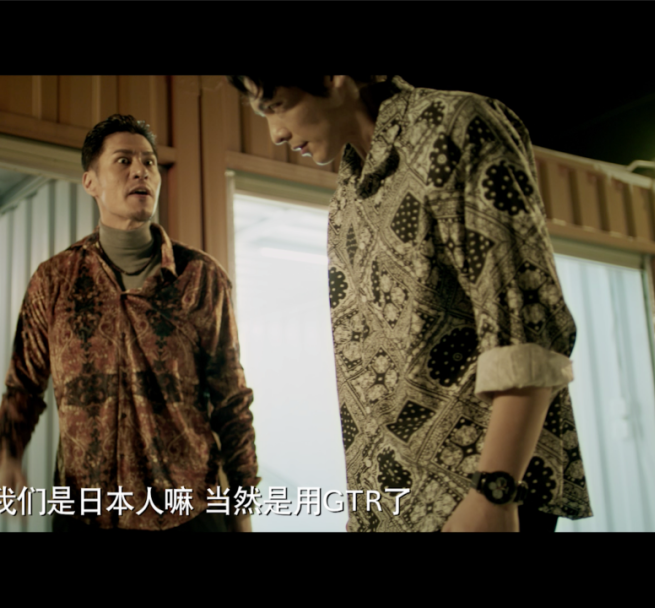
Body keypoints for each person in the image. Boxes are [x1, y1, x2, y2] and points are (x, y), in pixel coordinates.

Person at [226, 75, 593, 532]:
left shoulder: (453, 126)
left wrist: (493, 494)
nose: (276, 133)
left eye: (278, 106)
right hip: (393, 506)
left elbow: (528, 321)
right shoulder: (348, 195)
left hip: (474, 491)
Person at [0, 114, 259, 532]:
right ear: (90, 182)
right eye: (123, 161)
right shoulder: (54, 280)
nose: (141, 171)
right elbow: (23, 384)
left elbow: (232, 402)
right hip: (83, 514)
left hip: (187, 515)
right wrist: (8, 456)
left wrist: (242, 514)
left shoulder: (201, 278)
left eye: (149, 162)